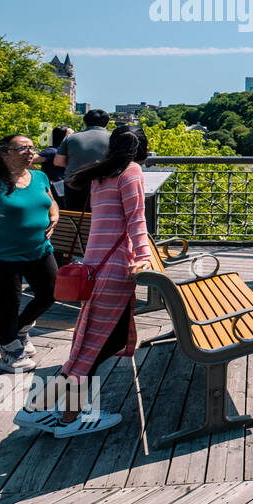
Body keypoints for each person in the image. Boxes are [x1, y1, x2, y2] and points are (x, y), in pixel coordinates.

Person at [15, 126, 151, 437]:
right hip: (115, 269)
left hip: (95, 265)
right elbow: (136, 218)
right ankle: (67, 418)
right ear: (140, 148)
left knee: (99, 343)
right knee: (90, 349)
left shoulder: (101, 175)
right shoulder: (130, 171)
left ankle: (38, 409)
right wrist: (142, 254)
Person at [0, 135, 59, 373]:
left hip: (40, 249)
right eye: (22, 147)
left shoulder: (40, 176)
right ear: (5, 153)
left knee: (51, 292)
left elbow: (50, 201)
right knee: (7, 303)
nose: (30, 151)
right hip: (4, 254)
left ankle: (20, 330)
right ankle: (10, 349)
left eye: (32, 147)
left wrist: (54, 216)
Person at [55, 109, 110, 211]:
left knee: (74, 220)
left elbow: (58, 162)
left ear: (85, 122)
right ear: (107, 123)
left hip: (74, 184)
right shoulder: (113, 138)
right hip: (103, 185)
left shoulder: (70, 138)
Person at [36, 126, 72, 203]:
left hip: (64, 189)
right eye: (71, 135)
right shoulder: (52, 151)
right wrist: (38, 174)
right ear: (62, 137)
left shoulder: (64, 151)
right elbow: (27, 160)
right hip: (53, 190)